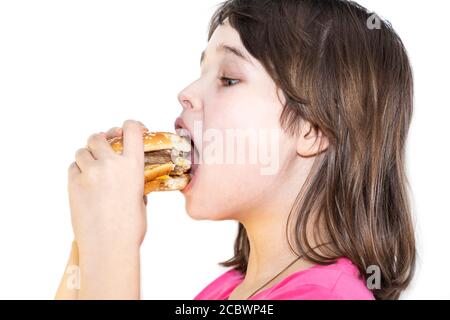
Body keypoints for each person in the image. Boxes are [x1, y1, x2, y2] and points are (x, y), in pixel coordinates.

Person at [56, 0, 416, 300]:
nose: (187, 91)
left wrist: (112, 243)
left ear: (312, 129)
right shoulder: (226, 292)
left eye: (228, 79)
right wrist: (88, 238)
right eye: (202, 71)